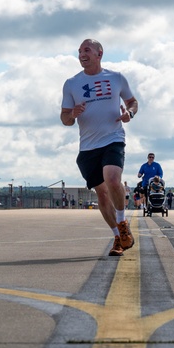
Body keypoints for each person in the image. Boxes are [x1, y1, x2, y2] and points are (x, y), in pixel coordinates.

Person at [61, 39, 138, 256]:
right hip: (87, 148)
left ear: (99, 53)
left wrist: (129, 114)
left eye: (86, 50)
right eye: (79, 51)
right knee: (102, 194)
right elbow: (64, 118)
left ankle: (123, 224)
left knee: (113, 179)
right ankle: (117, 237)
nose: (81, 54)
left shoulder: (116, 78)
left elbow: (133, 102)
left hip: (113, 138)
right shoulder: (71, 84)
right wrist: (72, 114)